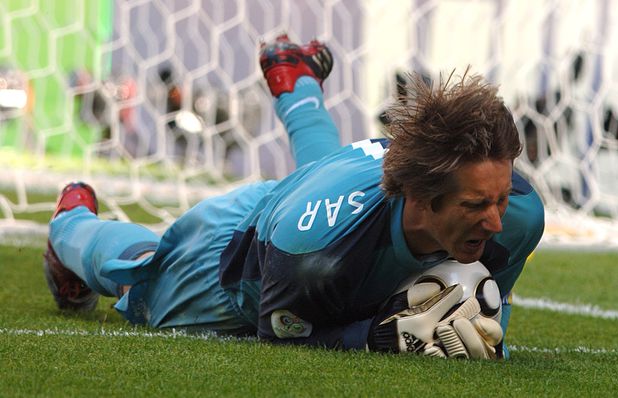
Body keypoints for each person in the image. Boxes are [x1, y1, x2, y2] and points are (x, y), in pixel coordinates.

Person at [43, 35, 544, 359]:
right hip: (237, 256)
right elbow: (282, 336)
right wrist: (375, 337)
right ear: (422, 197)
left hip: (330, 193)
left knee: (328, 183)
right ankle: (72, 222)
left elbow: (488, 308)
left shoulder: (519, 214)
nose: (496, 220)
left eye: (499, 200)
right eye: (476, 206)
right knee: (141, 286)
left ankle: (294, 77)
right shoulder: (311, 250)